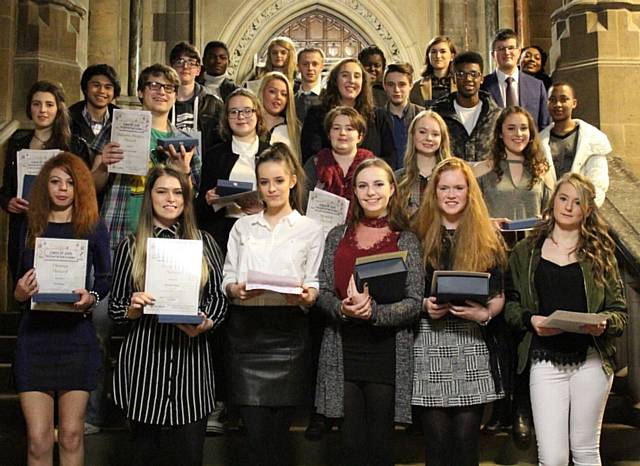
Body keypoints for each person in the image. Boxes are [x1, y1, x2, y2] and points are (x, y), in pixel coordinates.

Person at [504, 172, 627, 466]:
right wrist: (530, 319)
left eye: (577, 202)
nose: (569, 206)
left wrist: (604, 322)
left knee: (585, 450)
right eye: (563, 198)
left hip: (591, 359)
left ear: (587, 210)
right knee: (553, 457)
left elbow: (619, 312)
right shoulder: (526, 251)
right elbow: (510, 305)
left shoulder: (601, 253)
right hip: (544, 360)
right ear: (553, 201)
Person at [109, 165, 227, 465]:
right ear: (149, 197)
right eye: (161, 191)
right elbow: (115, 310)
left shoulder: (205, 244)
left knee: (188, 458)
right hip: (143, 372)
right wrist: (133, 308)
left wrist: (206, 321)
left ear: (187, 200)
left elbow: (218, 300)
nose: (170, 199)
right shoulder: (131, 246)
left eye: (178, 192)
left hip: (192, 371)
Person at [315, 158, 423, 466]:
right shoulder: (337, 236)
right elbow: (322, 292)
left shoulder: (406, 239)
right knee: (349, 445)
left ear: (392, 189)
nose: (370, 192)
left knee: (380, 446)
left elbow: (414, 302)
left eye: (378, 185)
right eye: (362, 185)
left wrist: (374, 313)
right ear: (354, 192)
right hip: (342, 349)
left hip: (386, 353)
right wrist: (343, 308)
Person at [223, 143, 324, 466]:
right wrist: (233, 289)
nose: (272, 188)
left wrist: (308, 295)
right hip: (247, 335)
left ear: (293, 180)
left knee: (280, 441)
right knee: (254, 438)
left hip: (289, 335)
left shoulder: (311, 229)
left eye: (278, 180)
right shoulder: (242, 226)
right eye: (264, 182)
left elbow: (314, 282)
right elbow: (227, 275)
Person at [13, 152, 110, 466]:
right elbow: (16, 281)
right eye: (55, 181)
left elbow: (106, 278)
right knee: (39, 440)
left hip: (75, 338)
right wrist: (19, 292)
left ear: (80, 186)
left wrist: (92, 297)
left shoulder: (93, 225)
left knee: (70, 435)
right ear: (45, 186)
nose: (63, 188)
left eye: (70, 182)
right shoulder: (29, 225)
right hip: (35, 339)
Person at [413, 157, 508, 466]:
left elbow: (500, 293)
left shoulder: (486, 236)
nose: (451, 194)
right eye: (444, 188)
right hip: (430, 343)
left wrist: (485, 315)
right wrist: (424, 306)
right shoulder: (416, 234)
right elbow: (406, 292)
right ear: (434, 192)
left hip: (471, 343)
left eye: (458, 187)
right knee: (437, 445)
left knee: (466, 444)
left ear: (469, 192)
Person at [94, 64, 201, 252]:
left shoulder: (185, 141)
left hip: (166, 236)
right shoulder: (117, 129)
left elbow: (191, 198)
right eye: (154, 85)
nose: (162, 92)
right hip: (119, 229)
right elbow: (91, 186)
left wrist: (184, 173)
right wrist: (104, 164)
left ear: (175, 96)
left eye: (169, 88)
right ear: (141, 92)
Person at [0, 81, 91, 281]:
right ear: (29, 108)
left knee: (56, 282)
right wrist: (8, 202)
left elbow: (86, 190)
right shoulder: (17, 144)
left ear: (59, 108)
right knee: (23, 281)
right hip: (25, 227)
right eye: (36, 104)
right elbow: (6, 187)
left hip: (60, 226)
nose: (42, 110)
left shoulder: (73, 146)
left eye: (49, 104)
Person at [196, 88, 271, 252]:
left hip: (264, 233)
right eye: (234, 112)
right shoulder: (215, 154)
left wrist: (265, 208)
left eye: (247, 111)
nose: (241, 116)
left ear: (257, 114)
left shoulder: (272, 153)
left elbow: (287, 201)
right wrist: (210, 200)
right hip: (224, 235)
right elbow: (199, 208)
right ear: (226, 117)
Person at [301, 58, 395, 166]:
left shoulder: (379, 116)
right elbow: (311, 157)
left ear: (363, 82)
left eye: (357, 76)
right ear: (335, 80)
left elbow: (390, 158)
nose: (352, 80)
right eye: (345, 75)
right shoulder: (316, 115)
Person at [474, 106, 556, 222]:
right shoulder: (482, 170)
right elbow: (470, 216)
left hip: (533, 239)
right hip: (493, 239)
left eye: (523, 128)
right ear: (500, 134)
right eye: (511, 128)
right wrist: (488, 222)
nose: (518, 133)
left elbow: (553, 214)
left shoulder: (543, 171)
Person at [540, 81, 610, 207]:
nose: (558, 105)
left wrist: (581, 210)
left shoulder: (593, 139)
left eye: (564, 99)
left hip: (582, 213)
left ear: (574, 103)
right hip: (548, 214)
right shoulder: (539, 142)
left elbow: (598, 185)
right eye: (552, 100)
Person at [432, 51, 501, 162]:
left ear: (482, 78)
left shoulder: (496, 115)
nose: (468, 79)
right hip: (449, 176)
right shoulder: (439, 113)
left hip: (488, 177)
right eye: (461, 74)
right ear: (454, 78)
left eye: (474, 74)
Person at [482, 28, 550, 130]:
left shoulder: (537, 86)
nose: (507, 52)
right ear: (493, 55)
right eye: (501, 49)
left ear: (518, 52)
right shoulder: (483, 85)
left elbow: (545, 124)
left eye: (511, 48)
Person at [303, 106, 375, 198]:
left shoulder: (372, 165)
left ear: (360, 136)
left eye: (349, 129)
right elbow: (302, 202)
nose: (342, 133)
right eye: (336, 128)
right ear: (329, 134)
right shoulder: (315, 163)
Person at [168, 41, 224, 151]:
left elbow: (222, 141)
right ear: (171, 68)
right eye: (180, 61)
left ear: (198, 70)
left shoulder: (213, 104)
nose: (185, 66)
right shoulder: (162, 102)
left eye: (191, 62)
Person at [396, 110, 452, 214]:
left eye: (435, 134)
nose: (429, 138)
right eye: (422, 132)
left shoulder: (453, 177)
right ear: (412, 135)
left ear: (442, 139)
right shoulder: (398, 178)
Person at [69, 64, 121, 161]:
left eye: (108, 87)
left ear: (114, 92)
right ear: (85, 88)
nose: (102, 91)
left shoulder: (123, 120)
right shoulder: (68, 118)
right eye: (96, 85)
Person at [383, 62, 425, 168]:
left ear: (411, 85)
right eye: (391, 84)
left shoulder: (423, 116)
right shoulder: (375, 118)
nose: (396, 90)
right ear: (384, 86)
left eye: (402, 84)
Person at [258, 71, 301, 158]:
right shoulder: (249, 124)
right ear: (262, 92)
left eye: (284, 94)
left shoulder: (295, 129)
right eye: (272, 91)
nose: (278, 97)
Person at [409, 36, 457, 107]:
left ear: (452, 56)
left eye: (443, 51)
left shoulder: (460, 85)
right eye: (434, 52)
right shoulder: (415, 87)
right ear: (428, 56)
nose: (438, 56)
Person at [295, 47, 325, 124]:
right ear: (298, 67)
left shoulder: (330, 98)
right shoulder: (290, 100)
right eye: (305, 64)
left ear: (322, 67)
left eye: (315, 64)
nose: (310, 68)